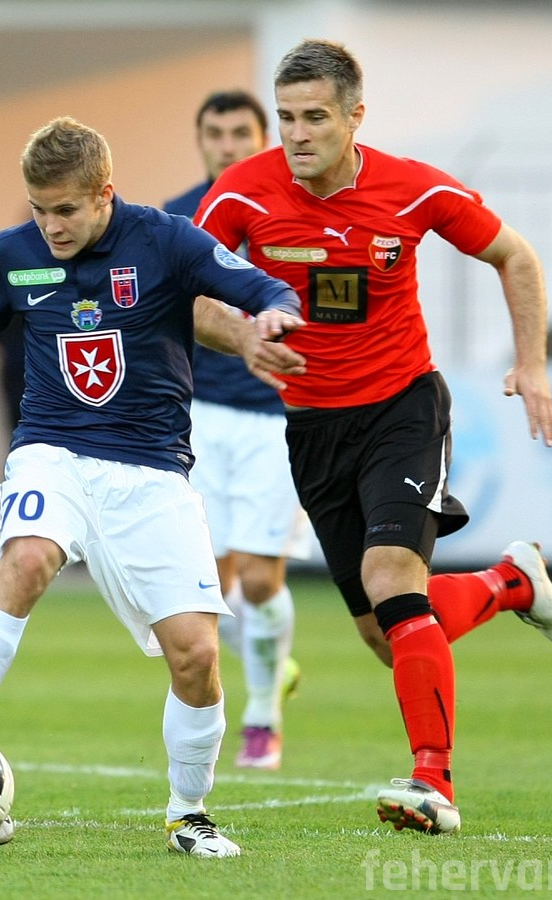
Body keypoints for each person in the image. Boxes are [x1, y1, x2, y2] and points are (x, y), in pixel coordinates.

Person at [195, 39, 552, 836]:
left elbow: (514, 255)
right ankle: (510, 582)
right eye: (287, 118)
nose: (297, 134)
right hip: (311, 428)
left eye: (315, 117)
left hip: (402, 409)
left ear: (355, 117)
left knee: (390, 577)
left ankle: (432, 783)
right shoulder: (240, 193)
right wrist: (242, 338)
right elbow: (188, 296)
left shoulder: (413, 188)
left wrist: (533, 363)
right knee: (386, 630)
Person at [0, 116, 306, 855]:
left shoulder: (166, 240)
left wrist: (276, 313)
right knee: (25, 561)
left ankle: (187, 813)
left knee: (196, 655)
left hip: (152, 469)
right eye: (40, 209)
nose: (51, 226)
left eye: (66, 209)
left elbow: (256, 283)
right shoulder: (13, 254)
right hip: (52, 451)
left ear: (105, 193)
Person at [165, 90, 312, 771]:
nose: (227, 145)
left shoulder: (292, 208)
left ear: (263, 138)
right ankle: (269, 665)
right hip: (198, 414)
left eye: (239, 133)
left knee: (257, 579)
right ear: (200, 140)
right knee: (209, 586)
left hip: (276, 417)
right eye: (215, 133)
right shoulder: (177, 218)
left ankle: (262, 715)